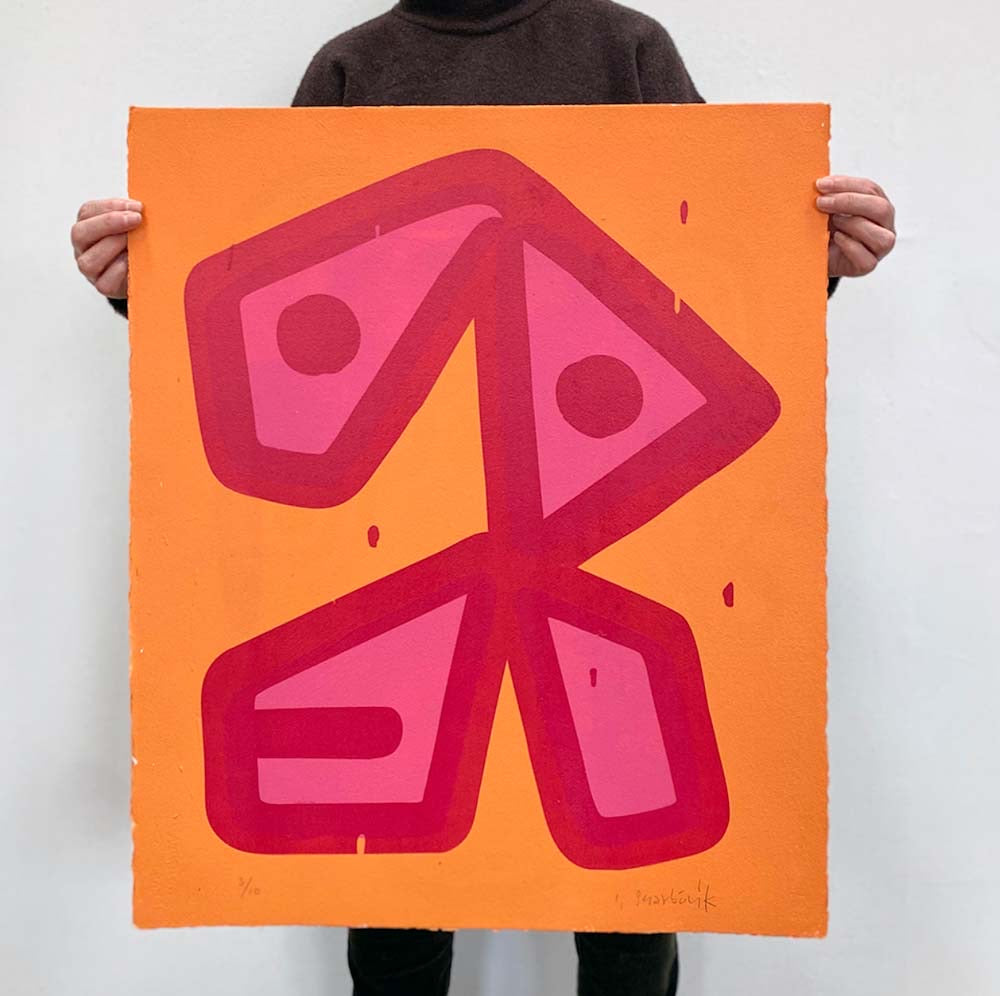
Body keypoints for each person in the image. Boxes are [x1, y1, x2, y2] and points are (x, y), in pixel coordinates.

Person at [69, 2, 897, 994]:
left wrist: (810, 259)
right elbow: (279, 296)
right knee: (395, 900)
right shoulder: (352, 68)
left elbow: (704, 275)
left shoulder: (623, 52)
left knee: (631, 889)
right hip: (385, 544)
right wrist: (145, 282)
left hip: (609, 526)